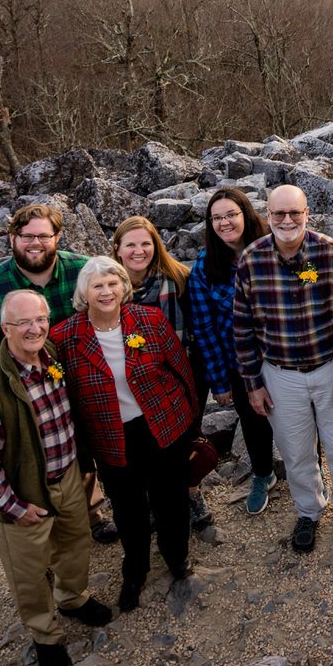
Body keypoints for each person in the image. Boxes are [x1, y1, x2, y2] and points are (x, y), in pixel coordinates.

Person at [0, 290, 112, 666]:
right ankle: (45, 635)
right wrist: (14, 507)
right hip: (24, 494)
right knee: (28, 573)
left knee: (76, 543)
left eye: (40, 320)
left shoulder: (53, 356)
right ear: (5, 328)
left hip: (67, 476)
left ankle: (72, 598)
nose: (35, 329)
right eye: (23, 323)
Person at [0, 202, 116, 542]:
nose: (35, 243)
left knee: (84, 458)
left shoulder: (82, 272)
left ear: (57, 237)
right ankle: (38, 531)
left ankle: (91, 512)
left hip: (82, 389)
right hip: (26, 402)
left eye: (44, 235)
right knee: (33, 469)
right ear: (12, 238)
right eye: (26, 236)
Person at [52, 256, 198, 612]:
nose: (106, 291)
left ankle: (177, 556)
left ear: (124, 287)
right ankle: (136, 569)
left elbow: (180, 369)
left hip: (163, 426)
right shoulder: (65, 337)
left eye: (113, 283)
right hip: (110, 436)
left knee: (172, 499)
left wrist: (191, 424)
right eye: (97, 285)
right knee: (129, 509)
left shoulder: (148, 320)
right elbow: (64, 396)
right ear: (84, 292)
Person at [230, 184, 333, 553]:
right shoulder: (251, 260)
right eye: (279, 214)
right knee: (295, 451)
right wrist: (253, 384)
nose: (287, 220)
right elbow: (242, 328)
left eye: (295, 213)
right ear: (268, 215)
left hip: (330, 367)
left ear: (307, 213)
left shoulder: (331, 254)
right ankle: (308, 510)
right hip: (279, 374)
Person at [113, 216, 216, 532]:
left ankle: (191, 493)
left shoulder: (178, 279)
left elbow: (199, 326)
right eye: (131, 244)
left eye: (146, 243)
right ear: (117, 249)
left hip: (179, 377)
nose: (139, 251)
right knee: (142, 445)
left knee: (184, 442)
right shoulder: (107, 286)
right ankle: (154, 501)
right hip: (130, 382)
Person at [186, 187, 280, 515]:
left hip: (285, 356)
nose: (225, 222)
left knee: (300, 414)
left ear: (246, 214)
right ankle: (263, 473)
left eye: (231, 214)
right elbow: (204, 327)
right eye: (217, 218)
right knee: (254, 421)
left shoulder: (273, 247)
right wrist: (219, 381)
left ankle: (310, 472)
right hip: (238, 362)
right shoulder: (204, 266)